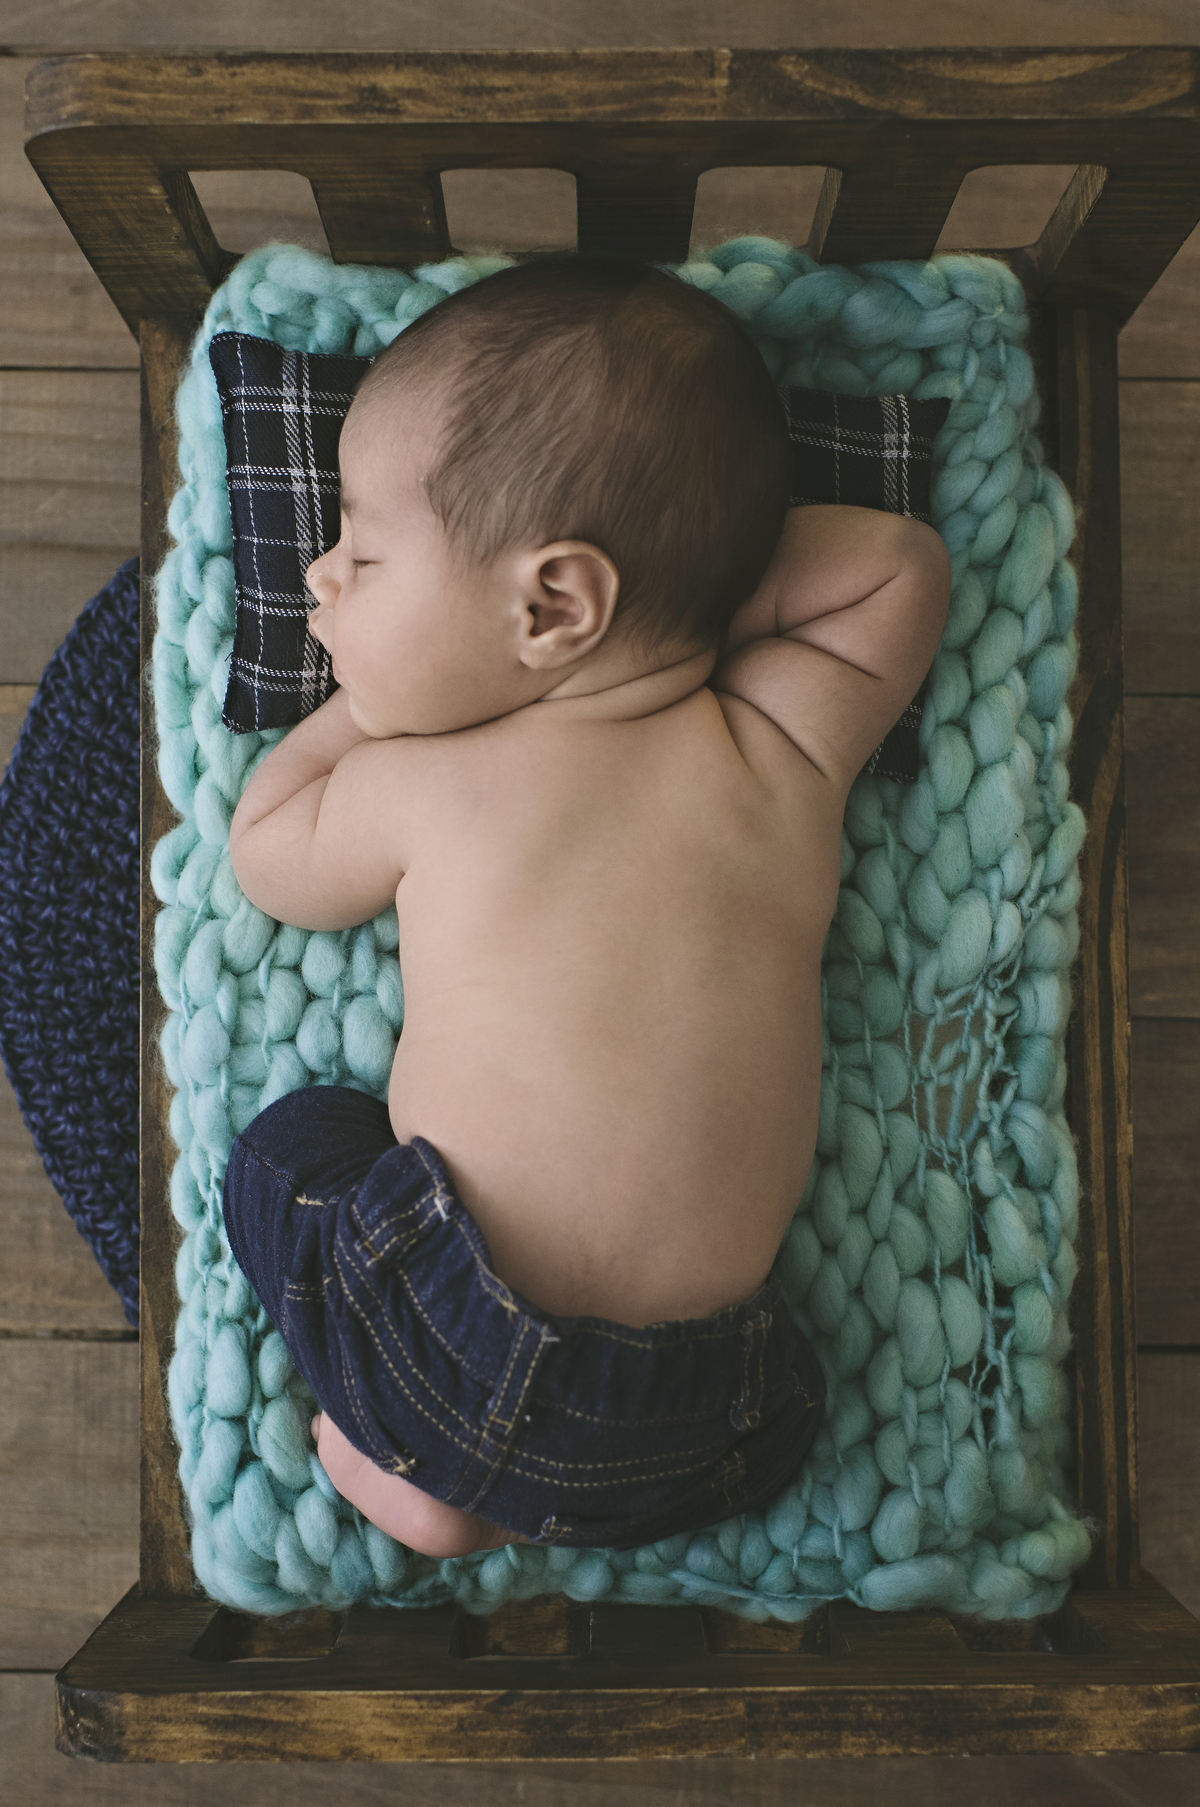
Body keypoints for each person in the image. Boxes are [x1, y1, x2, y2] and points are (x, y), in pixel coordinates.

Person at [223, 256, 950, 1561]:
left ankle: (425, 1489)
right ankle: (475, 1482)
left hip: (452, 1349)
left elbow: (265, 855)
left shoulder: (423, 784)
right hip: (718, 1410)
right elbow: (897, 563)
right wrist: (696, 579)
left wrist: (360, 710)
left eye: (364, 552)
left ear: (556, 602)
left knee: (286, 1152)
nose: (321, 582)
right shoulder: (775, 755)